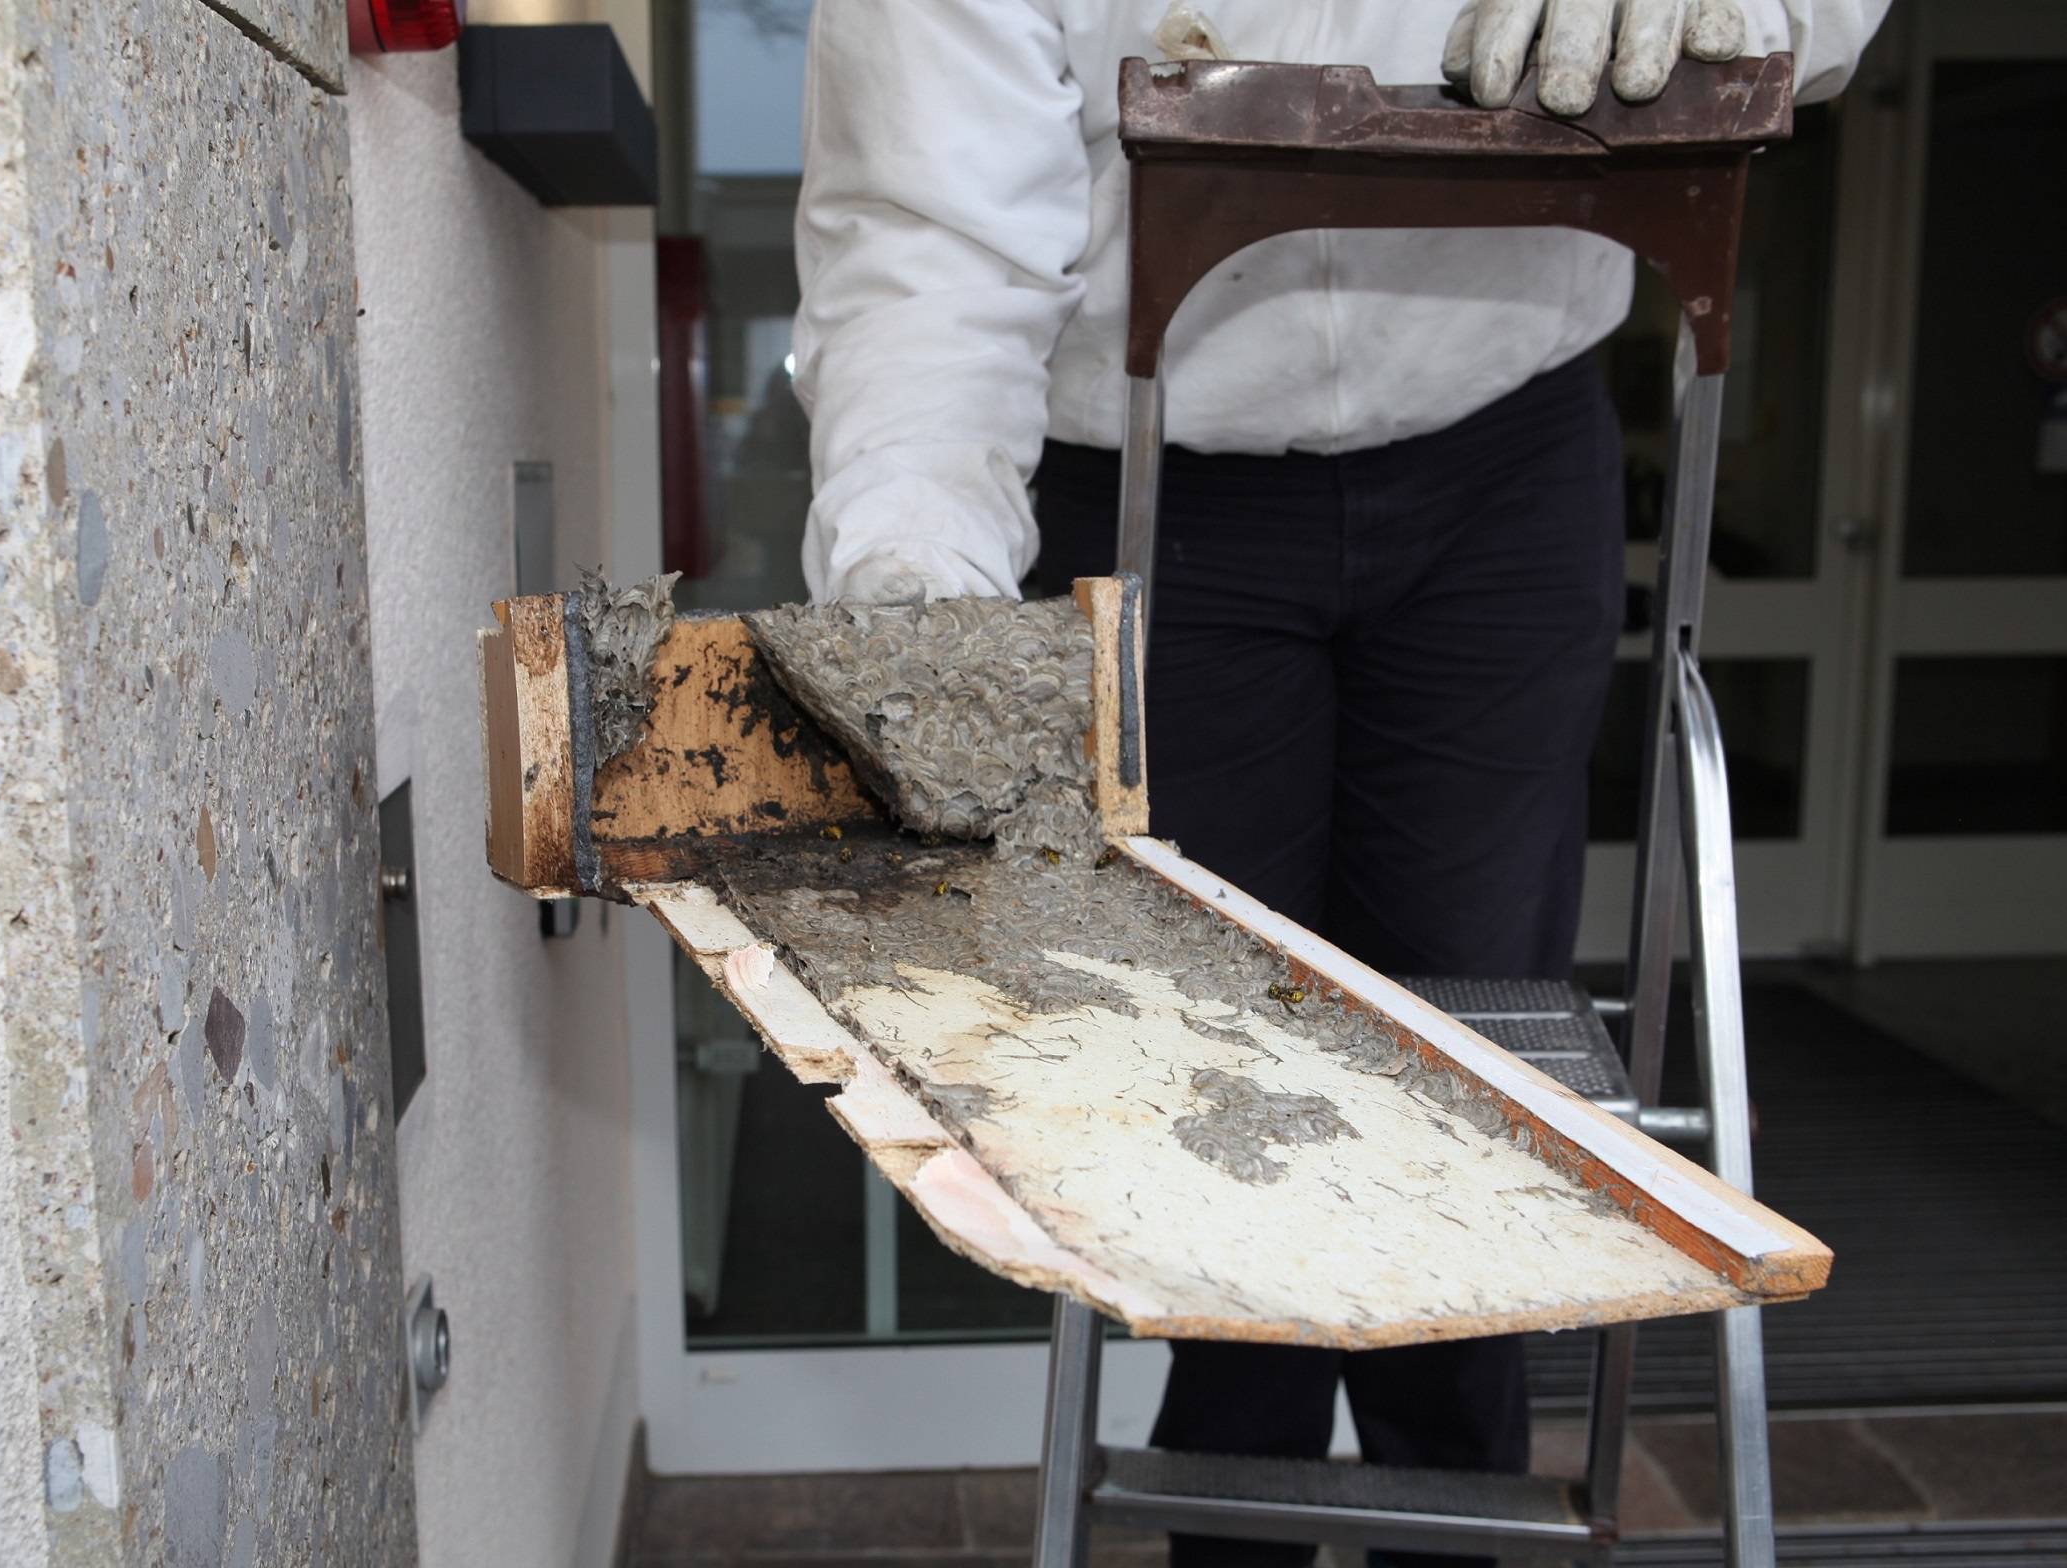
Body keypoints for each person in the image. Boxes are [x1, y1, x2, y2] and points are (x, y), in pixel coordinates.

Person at [791, 2, 1885, 1564]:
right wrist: (915, 575)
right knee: (1215, 1063)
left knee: (1472, 1060)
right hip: (1159, 456)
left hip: (1495, 447)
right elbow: (928, 237)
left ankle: (1464, 1517)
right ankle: (1235, 1528)